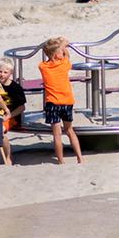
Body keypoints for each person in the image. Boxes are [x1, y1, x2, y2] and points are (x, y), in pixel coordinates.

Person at [39, 36, 83, 164]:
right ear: (56, 54)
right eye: (60, 52)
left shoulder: (43, 67)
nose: (62, 53)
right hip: (67, 102)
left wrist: (59, 47)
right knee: (70, 131)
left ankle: (61, 161)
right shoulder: (64, 64)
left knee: (57, 135)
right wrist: (64, 45)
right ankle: (80, 157)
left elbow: (55, 57)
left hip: (52, 103)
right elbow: (67, 56)